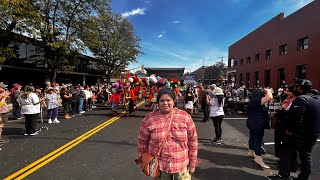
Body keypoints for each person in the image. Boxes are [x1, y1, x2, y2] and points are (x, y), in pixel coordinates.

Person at [137, 88, 199, 179]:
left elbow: (193, 141)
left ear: (174, 101)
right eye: (162, 101)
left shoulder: (185, 117)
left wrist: (192, 163)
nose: (165, 103)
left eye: (168, 100)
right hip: (159, 167)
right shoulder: (149, 119)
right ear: (157, 103)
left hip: (181, 165)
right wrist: (143, 161)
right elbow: (142, 142)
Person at [288, 79, 320, 180]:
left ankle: (303, 177)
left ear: (300, 88)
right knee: (306, 155)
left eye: (296, 86)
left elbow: (295, 118)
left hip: (303, 133)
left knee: (305, 156)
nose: (295, 88)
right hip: (314, 132)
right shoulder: (317, 98)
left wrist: (291, 130)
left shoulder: (301, 99)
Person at [268, 85, 298, 180]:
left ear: (293, 92)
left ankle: (286, 172)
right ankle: (287, 168)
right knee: (286, 150)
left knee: (287, 150)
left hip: (287, 129)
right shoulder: (287, 99)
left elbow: (288, 114)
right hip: (283, 126)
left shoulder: (295, 101)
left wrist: (279, 113)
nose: (285, 92)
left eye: (288, 91)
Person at [246, 87, 273, 169]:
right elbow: (269, 97)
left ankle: (251, 151)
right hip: (257, 123)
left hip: (252, 122)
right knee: (258, 139)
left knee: (253, 137)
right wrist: (268, 91)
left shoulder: (253, 101)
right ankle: (258, 158)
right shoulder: (256, 101)